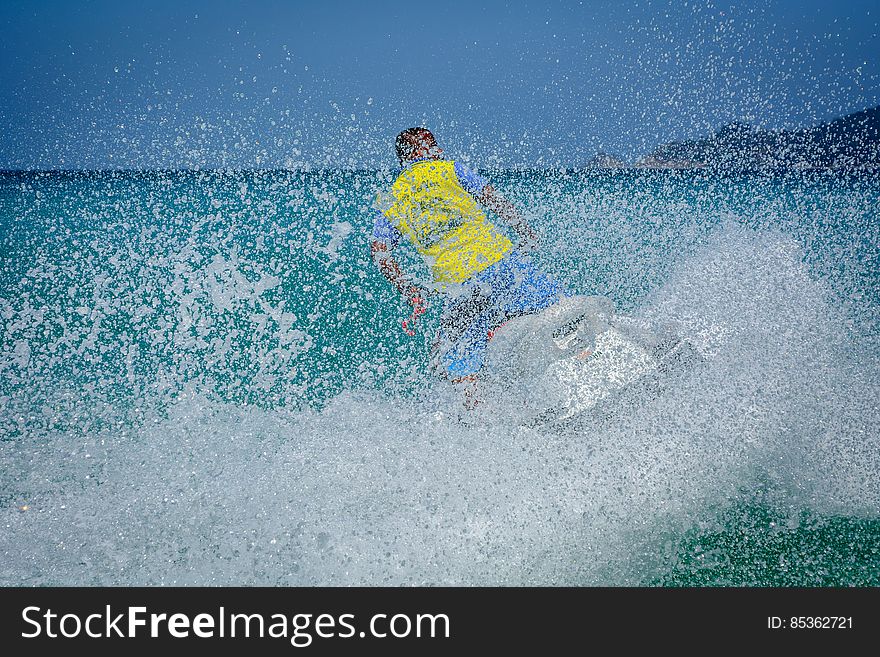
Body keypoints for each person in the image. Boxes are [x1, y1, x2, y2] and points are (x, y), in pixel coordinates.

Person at [370, 127, 568, 408]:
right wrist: (524, 231)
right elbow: (494, 200)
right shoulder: (452, 170)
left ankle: (478, 419)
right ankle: (593, 355)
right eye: (433, 146)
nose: (439, 151)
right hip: (504, 264)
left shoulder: (391, 199)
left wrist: (406, 287)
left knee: (451, 360)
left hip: (463, 287)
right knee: (561, 307)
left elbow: (380, 253)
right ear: (419, 153)